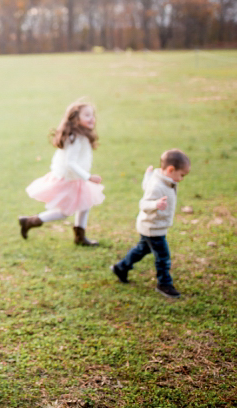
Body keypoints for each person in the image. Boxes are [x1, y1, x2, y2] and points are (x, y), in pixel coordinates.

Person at [18, 100, 105, 246]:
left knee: (85, 205)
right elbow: (70, 163)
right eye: (87, 115)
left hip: (77, 179)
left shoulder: (81, 135)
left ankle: (80, 236)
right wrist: (88, 177)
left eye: (92, 115)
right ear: (75, 119)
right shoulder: (74, 138)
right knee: (65, 212)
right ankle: (30, 221)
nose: (92, 118)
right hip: (68, 179)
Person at [111, 149, 190, 299]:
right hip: (153, 228)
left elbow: (146, 184)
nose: (181, 179)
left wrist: (147, 176)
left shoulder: (163, 178)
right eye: (182, 175)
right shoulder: (158, 185)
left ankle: (121, 267)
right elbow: (144, 203)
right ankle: (164, 283)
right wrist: (155, 204)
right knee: (163, 257)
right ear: (170, 170)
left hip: (153, 226)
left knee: (141, 250)